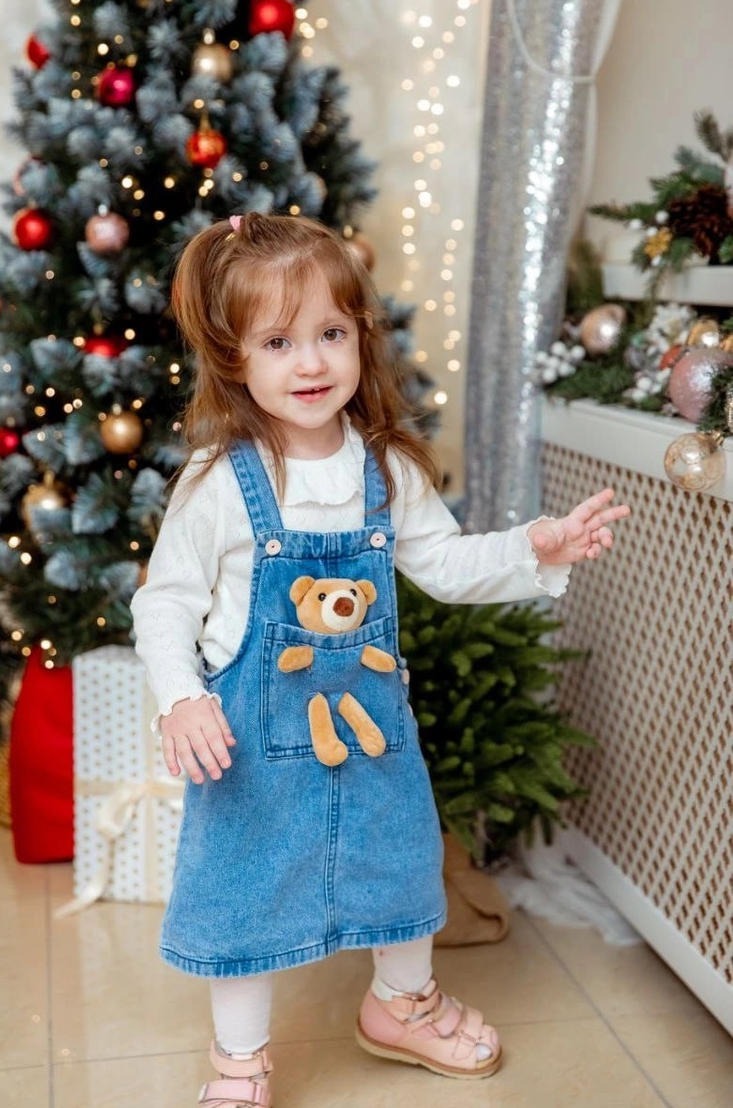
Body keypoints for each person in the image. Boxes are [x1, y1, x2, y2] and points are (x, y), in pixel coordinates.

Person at [131, 212, 629, 1107]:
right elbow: (165, 600)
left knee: (400, 865)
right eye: (278, 342)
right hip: (251, 745)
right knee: (242, 896)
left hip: (371, 736)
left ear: (361, 336)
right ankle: (239, 1062)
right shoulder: (220, 480)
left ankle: (402, 1005)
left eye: (330, 333)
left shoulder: (385, 470)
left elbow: (446, 564)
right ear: (234, 358)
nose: (311, 363)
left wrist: (535, 547)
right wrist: (180, 697)